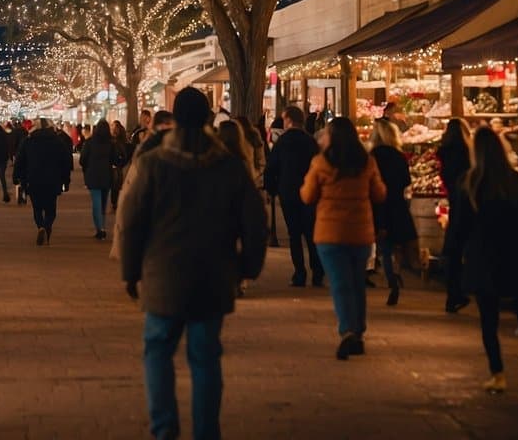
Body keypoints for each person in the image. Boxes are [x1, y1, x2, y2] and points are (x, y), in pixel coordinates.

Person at [118, 88, 267, 440]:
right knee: (204, 358)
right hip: (213, 277)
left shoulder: (154, 164)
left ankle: (164, 429)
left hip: (163, 277)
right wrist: (248, 266)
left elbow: (132, 221)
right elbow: (255, 221)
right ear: (207, 119)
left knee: (157, 351)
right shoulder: (229, 165)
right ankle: (205, 431)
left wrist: (130, 271)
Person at [447, 126, 518, 396]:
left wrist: (453, 260)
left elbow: (459, 229)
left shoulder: (469, 185)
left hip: (484, 260)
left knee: (488, 321)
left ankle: (498, 374)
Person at [300, 117, 387, 360]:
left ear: (332, 137)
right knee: (357, 282)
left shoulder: (320, 163)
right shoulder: (366, 162)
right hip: (360, 232)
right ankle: (358, 331)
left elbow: (307, 196)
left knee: (340, 284)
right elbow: (380, 194)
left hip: (330, 233)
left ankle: (348, 330)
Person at [267, 106, 325, 287]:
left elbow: (272, 168)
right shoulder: (310, 142)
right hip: (310, 192)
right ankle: (317, 272)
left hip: (288, 192)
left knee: (294, 235)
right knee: (311, 234)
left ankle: (299, 273)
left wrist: (271, 189)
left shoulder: (282, 142)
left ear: (289, 120)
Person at [369, 119, 417, 306]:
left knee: (385, 246)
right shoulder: (399, 156)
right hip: (397, 203)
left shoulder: (373, 156)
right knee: (398, 243)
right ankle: (396, 273)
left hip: (380, 204)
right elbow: (406, 181)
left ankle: (391, 279)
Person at [15, 118, 74, 245]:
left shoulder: (28, 141)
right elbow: (66, 162)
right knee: (51, 209)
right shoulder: (58, 141)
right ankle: (47, 225)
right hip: (53, 180)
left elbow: (20, 161)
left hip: (33, 179)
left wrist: (18, 178)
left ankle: (40, 226)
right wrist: (66, 181)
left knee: (37, 208)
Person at [438, 118, 474, 313]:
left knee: (454, 249)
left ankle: (453, 293)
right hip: (468, 205)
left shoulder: (445, 154)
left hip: (455, 204)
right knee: (468, 247)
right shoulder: (467, 155)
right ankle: (462, 289)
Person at [79, 119, 118, 240]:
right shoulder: (111, 143)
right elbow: (115, 159)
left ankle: (99, 228)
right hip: (106, 175)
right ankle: (103, 227)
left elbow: (82, 159)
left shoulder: (90, 142)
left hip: (93, 174)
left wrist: (86, 168)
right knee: (103, 203)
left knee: (96, 201)